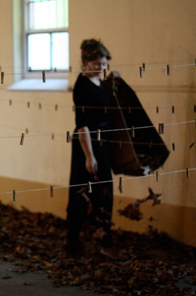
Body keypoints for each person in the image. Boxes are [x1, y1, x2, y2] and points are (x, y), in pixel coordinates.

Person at [65, 39, 126, 260]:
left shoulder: (99, 82)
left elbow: (105, 104)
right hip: (87, 145)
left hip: (101, 144)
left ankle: (99, 241)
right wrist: (89, 156)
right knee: (82, 192)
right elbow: (82, 124)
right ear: (84, 62)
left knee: (103, 192)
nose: (100, 67)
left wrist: (112, 80)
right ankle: (75, 240)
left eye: (103, 64)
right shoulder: (82, 86)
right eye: (96, 64)